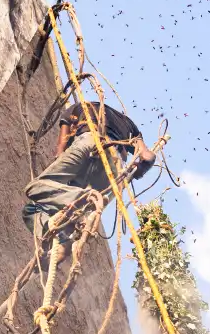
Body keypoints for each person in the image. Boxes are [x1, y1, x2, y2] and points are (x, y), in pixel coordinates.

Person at [22, 99, 156, 244]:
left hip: (88, 141)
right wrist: (137, 173)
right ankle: (62, 239)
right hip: (114, 164)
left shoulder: (80, 107)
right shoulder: (129, 124)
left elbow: (60, 149)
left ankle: (82, 198)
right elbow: (148, 157)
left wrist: (61, 173)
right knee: (77, 214)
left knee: (34, 189)